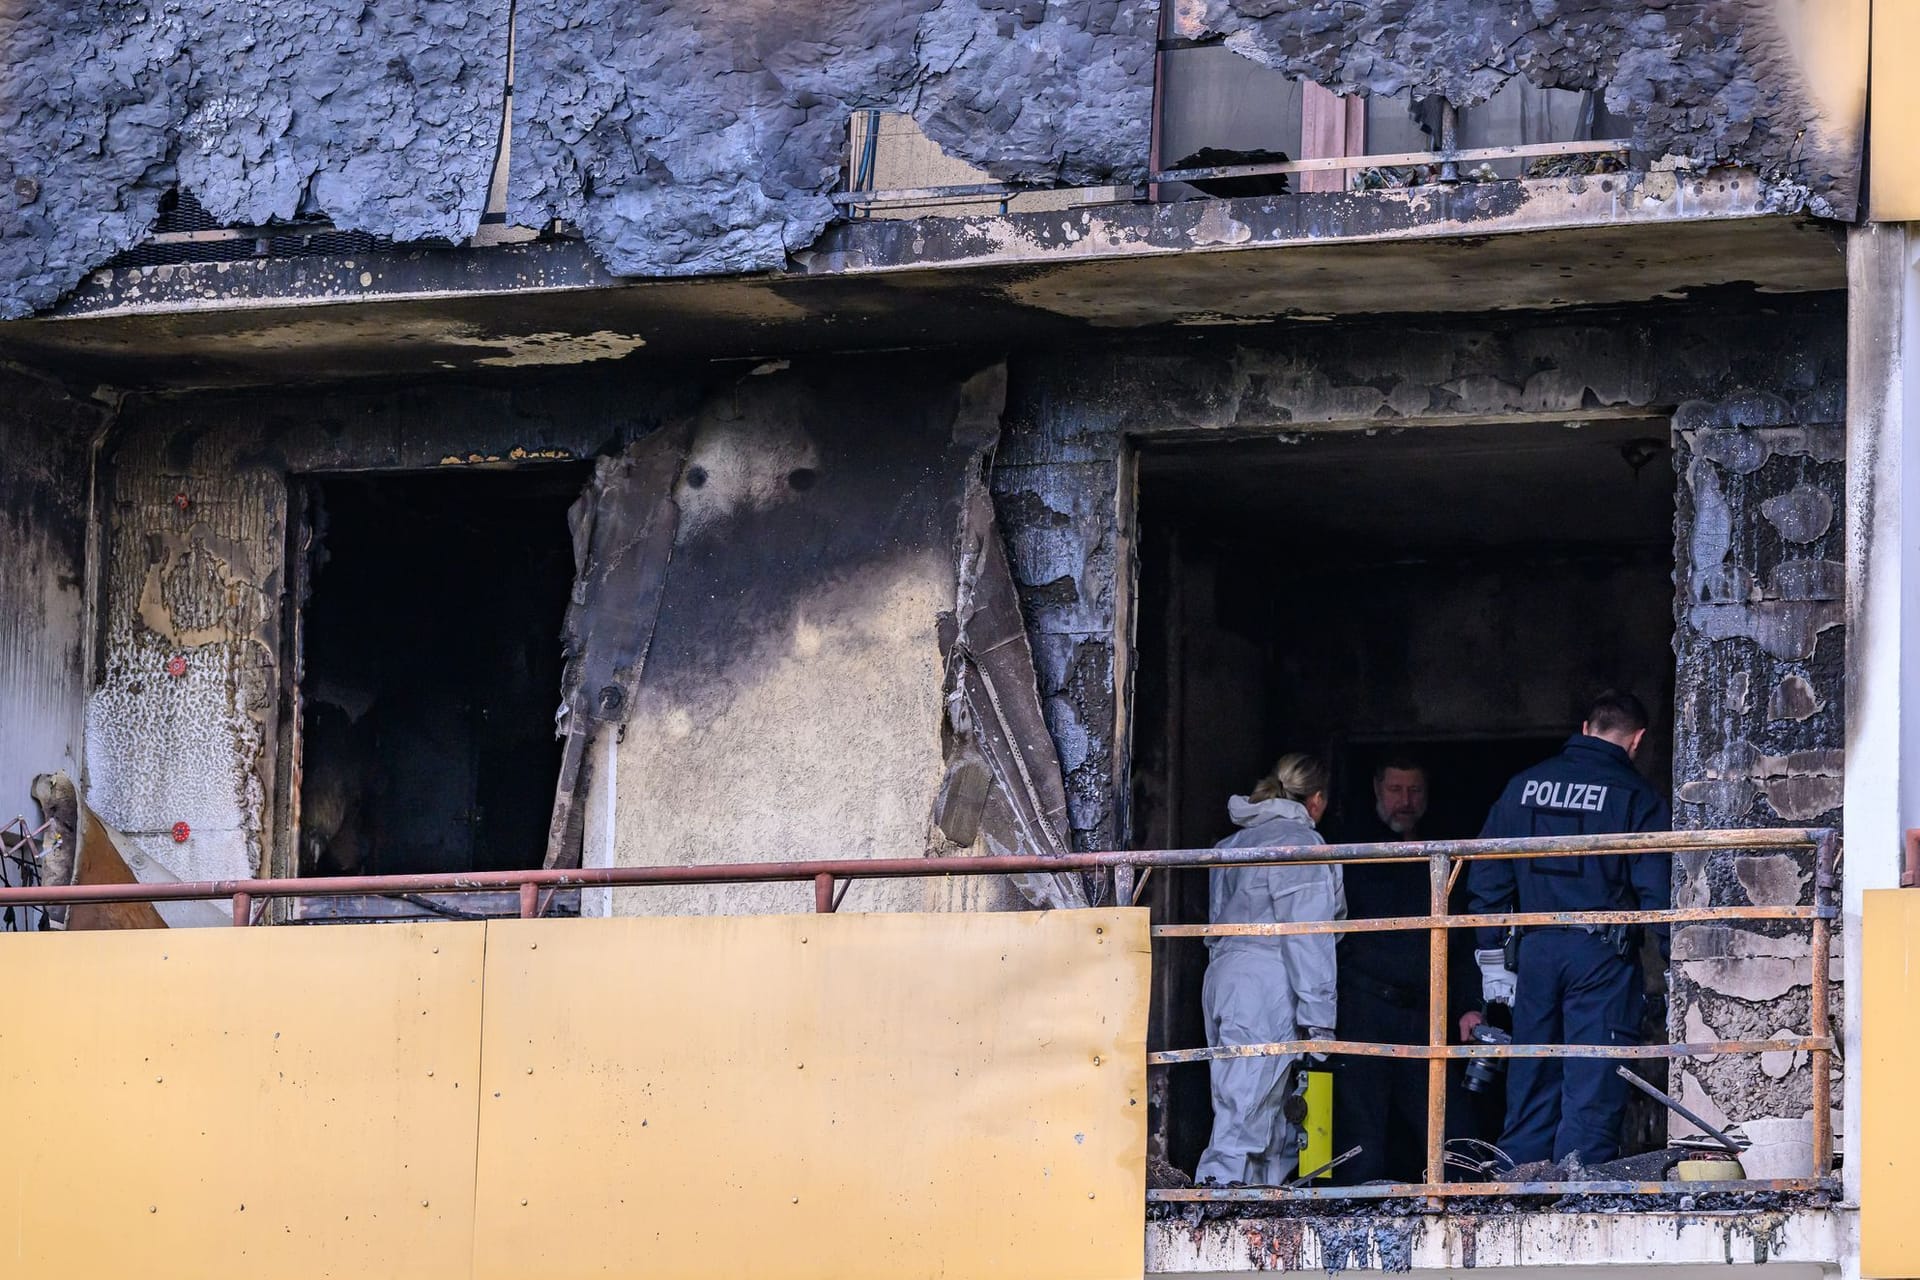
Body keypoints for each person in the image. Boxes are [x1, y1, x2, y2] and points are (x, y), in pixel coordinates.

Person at [1464, 691, 1671, 1167]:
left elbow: (1488, 874)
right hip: (1599, 956)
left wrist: (1493, 956)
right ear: (1636, 741)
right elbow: (1656, 890)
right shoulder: (1636, 797)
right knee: (1592, 1077)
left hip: (1535, 952)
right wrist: (1674, 958)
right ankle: (1578, 1191)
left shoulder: (1523, 786)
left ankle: (1519, 1185)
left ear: (1584, 728)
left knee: (1533, 1074)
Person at [1329, 757, 1488, 1183]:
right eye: (1396, 790)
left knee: (1450, 1126)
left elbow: (1460, 940)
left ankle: (1467, 1205)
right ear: (1377, 790)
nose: (1405, 801)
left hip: (1424, 1012)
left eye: (1414, 790)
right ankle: (1350, 1217)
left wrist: (1470, 1005)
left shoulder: (1440, 854)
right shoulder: (1349, 851)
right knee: (1359, 1131)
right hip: (1361, 1008)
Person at [1196, 752, 1346, 1186]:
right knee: (1247, 1114)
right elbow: (1309, 938)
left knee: (1251, 1104)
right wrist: (1320, 1024)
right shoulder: (1301, 845)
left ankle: (1257, 1206)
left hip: (1224, 975)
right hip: (1269, 980)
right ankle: (1217, 1208)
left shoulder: (1233, 844)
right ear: (1316, 801)